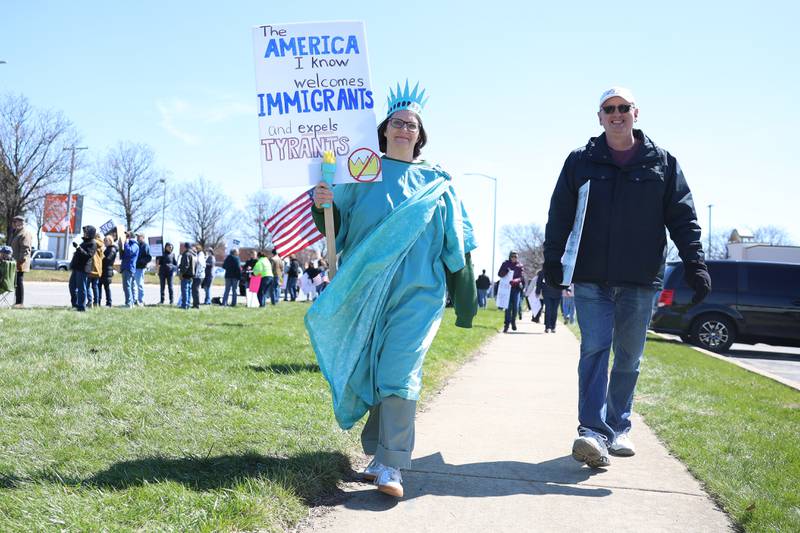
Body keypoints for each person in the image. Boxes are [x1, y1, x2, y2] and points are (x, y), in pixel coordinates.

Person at [306, 81, 477, 498]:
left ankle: (393, 466)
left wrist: (466, 298)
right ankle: (380, 454)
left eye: (411, 125)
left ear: (420, 135)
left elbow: (458, 243)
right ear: (384, 129)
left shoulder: (438, 184)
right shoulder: (361, 173)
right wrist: (322, 201)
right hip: (366, 292)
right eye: (397, 123)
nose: (403, 129)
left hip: (420, 294)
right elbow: (336, 230)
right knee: (376, 370)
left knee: (399, 371)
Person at [543, 86, 711, 468]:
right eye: (608, 109)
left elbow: (683, 218)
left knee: (629, 357)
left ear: (636, 112)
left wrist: (695, 264)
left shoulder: (663, 163)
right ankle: (591, 431)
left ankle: (617, 428)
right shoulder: (580, 161)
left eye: (622, 108)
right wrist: (553, 260)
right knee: (595, 349)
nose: (616, 114)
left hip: (640, 279)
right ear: (599, 117)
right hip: (591, 278)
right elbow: (560, 213)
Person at [68, 226, 98, 312]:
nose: (84, 233)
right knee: (72, 286)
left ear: (90, 233)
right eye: (84, 232)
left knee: (81, 288)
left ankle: (81, 307)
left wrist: (78, 248)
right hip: (76, 268)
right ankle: (75, 304)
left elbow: (88, 255)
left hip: (83, 269)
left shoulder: (93, 243)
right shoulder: (84, 242)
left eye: (86, 232)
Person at [8, 215, 33, 308]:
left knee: (19, 281)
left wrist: (20, 262)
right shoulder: (15, 233)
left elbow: (25, 249)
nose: (13, 224)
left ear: (21, 223)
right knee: (16, 282)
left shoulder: (25, 233)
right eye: (13, 222)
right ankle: (17, 302)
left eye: (15, 222)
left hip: (20, 262)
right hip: (14, 261)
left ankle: (20, 303)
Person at [497, 251, 525, 332]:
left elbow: (521, 278)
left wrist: (515, 280)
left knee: (515, 307)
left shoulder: (520, 266)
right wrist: (506, 271)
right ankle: (506, 324)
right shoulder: (505, 264)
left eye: (516, 257)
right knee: (508, 307)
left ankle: (513, 321)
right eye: (513, 256)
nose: (514, 258)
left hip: (516, 289)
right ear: (510, 256)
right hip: (507, 289)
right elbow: (499, 274)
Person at [536, 268, 562, 333]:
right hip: (547, 293)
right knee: (548, 309)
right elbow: (539, 281)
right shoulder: (544, 271)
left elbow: (565, 281)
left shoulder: (560, 270)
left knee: (554, 311)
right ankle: (547, 327)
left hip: (557, 293)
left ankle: (553, 327)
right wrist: (538, 291)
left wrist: (567, 289)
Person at [120, 232, 139, 308]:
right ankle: (129, 302)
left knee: (127, 286)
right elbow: (123, 255)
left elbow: (129, 252)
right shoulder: (129, 244)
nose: (125, 237)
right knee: (127, 286)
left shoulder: (135, 245)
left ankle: (129, 303)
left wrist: (126, 243)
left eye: (127, 235)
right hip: (126, 267)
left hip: (129, 268)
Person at [133, 233, 151, 306]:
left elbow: (148, 257)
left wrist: (141, 262)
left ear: (143, 237)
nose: (137, 238)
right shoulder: (136, 245)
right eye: (137, 237)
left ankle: (141, 300)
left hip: (140, 267)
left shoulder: (145, 245)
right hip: (134, 267)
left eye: (139, 237)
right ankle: (134, 300)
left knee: (139, 284)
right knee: (133, 284)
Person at [100, 235, 117, 307]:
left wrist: (101, 259)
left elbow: (108, 259)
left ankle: (109, 303)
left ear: (110, 241)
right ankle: (98, 301)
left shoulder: (112, 249)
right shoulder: (107, 249)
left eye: (106, 241)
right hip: (104, 270)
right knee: (99, 286)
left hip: (107, 270)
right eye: (104, 241)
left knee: (106, 287)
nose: (105, 242)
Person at [177, 242, 196, 310]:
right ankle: (187, 304)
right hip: (191, 275)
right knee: (189, 291)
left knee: (184, 290)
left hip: (186, 275)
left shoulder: (186, 254)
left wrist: (181, 273)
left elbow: (186, 265)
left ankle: (184, 305)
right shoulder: (193, 254)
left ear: (185, 247)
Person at [192, 244, 205, 309]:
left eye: (195, 249)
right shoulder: (199, 254)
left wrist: (194, 256)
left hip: (199, 275)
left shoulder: (201, 255)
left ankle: (196, 304)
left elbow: (199, 262)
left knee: (195, 289)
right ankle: (195, 304)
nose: (194, 250)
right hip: (198, 275)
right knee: (194, 289)